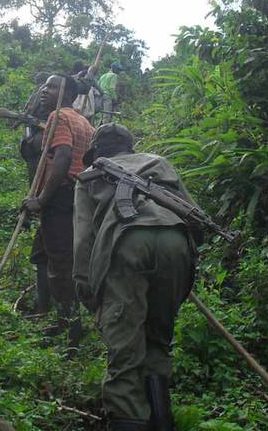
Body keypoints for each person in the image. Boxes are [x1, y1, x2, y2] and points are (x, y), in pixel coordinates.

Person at [73, 124, 201, 431]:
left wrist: (86, 288)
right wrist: (176, 256)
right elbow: (194, 215)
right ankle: (161, 421)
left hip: (125, 244)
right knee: (157, 340)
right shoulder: (158, 162)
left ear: (97, 151)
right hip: (176, 240)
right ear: (131, 148)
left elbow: (83, 239)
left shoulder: (89, 174)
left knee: (125, 349)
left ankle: (129, 418)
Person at [22, 74, 95, 344]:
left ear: (65, 92)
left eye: (51, 86)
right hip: (77, 197)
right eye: (44, 85)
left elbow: (62, 157)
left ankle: (71, 328)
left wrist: (41, 199)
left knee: (61, 263)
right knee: (48, 254)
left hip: (61, 196)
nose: (44, 90)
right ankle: (55, 316)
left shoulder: (58, 118)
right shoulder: (84, 121)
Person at [19, 72, 52, 314]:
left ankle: (48, 310)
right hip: (38, 146)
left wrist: (40, 200)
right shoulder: (76, 121)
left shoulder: (62, 123)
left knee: (46, 253)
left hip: (54, 199)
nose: (44, 93)